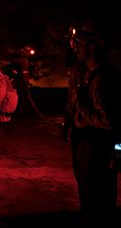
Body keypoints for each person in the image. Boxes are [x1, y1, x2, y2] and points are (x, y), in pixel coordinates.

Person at [65, 18, 121, 224]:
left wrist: (81, 106)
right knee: (88, 195)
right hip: (88, 146)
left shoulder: (102, 79)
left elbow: (108, 120)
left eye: (80, 43)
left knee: (97, 200)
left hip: (98, 149)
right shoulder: (88, 73)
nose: (76, 48)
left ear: (93, 46)